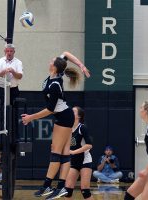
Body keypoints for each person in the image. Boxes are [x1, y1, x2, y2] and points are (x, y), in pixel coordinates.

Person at [21, 51, 90, 199]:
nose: (49, 61)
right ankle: (61, 187)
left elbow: (50, 110)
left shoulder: (55, 84)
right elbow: (66, 53)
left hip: (64, 117)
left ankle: (47, 185)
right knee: (63, 153)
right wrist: (81, 65)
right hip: (64, 116)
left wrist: (31, 117)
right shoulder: (55, 76)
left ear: (54, 67)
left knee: (56, 151)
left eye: (51, 61)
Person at [65, 106, 94, 200]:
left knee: (85, 191)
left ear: (79, 116)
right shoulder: (68, 129)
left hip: (84, 160)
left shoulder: (82, 128)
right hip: (74, 161)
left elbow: (89, 145)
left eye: (73, 111)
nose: (70, 112)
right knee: (67, 191)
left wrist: (73, 152)